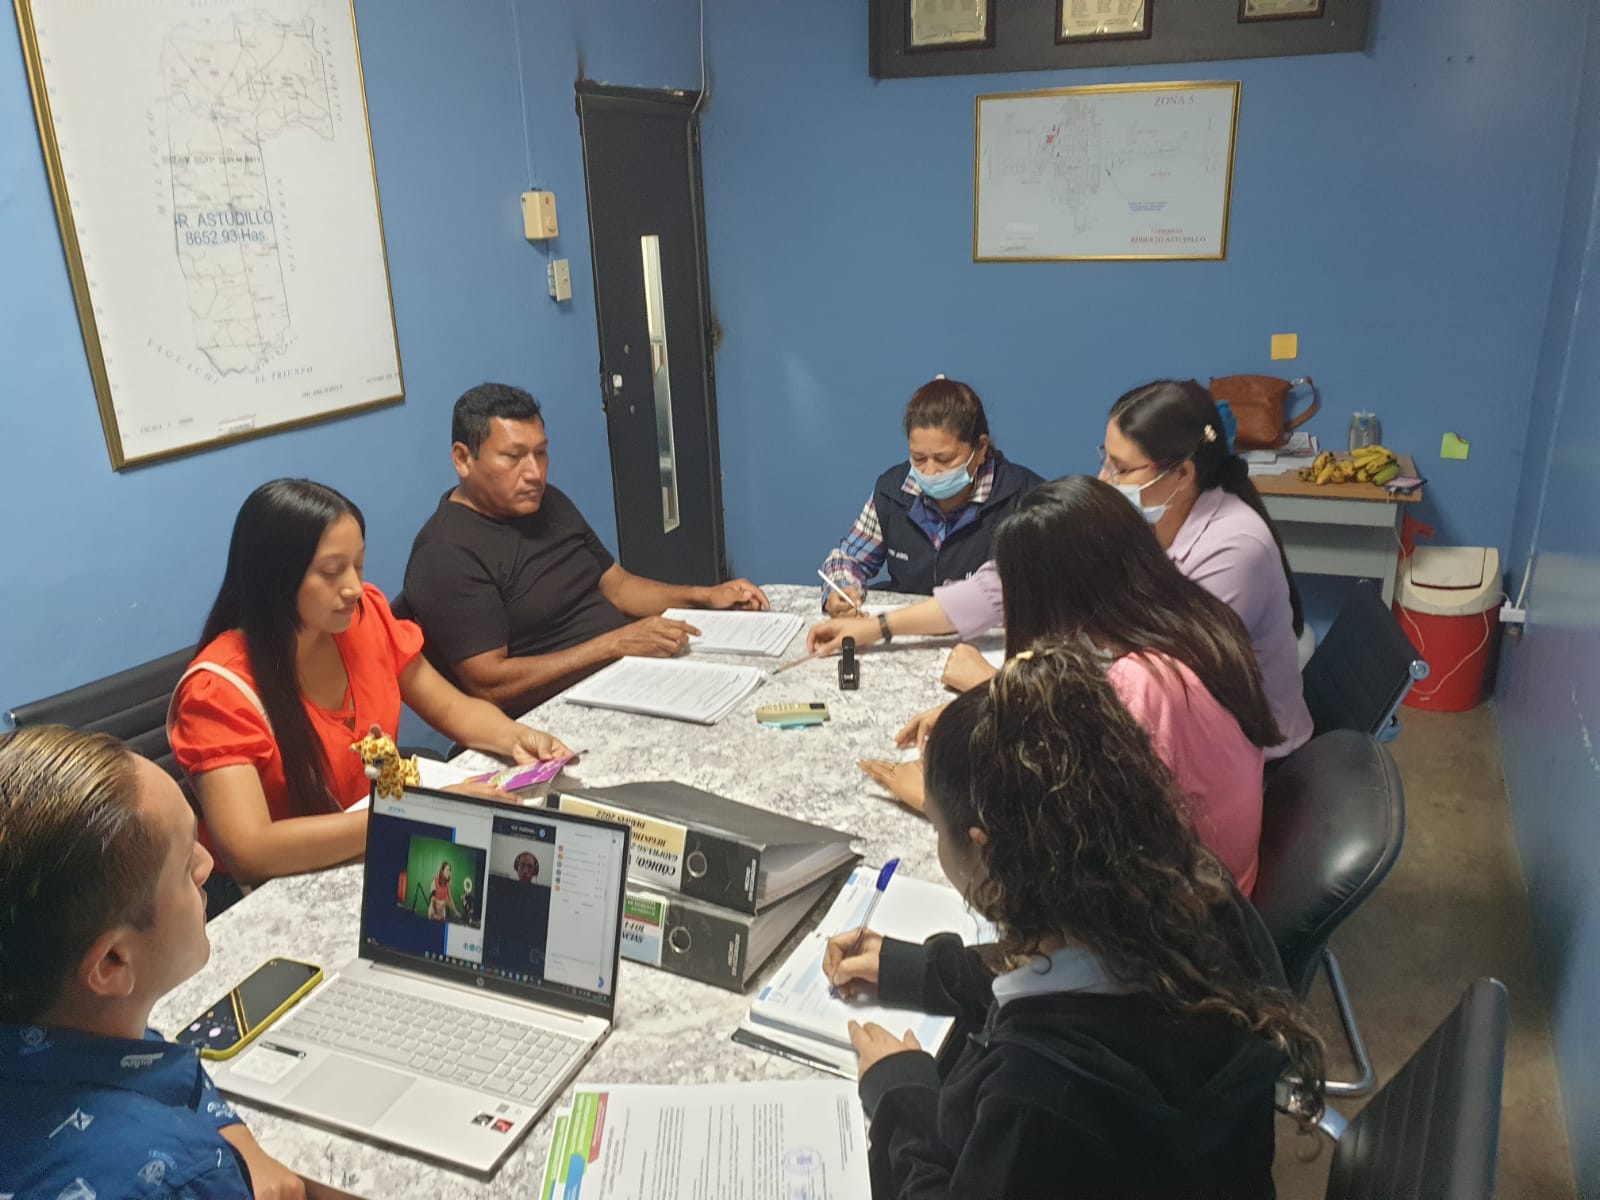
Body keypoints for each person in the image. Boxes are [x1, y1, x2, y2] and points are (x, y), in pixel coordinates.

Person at [825, 647, 1325, 1198]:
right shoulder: (1197, 892)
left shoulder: (1036, 1096)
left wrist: (901, 1098)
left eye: (939, 828)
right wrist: (924, 970)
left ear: (986, 852)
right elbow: (1072, 977)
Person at [808, 379, 1313, 759]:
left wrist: (997, 692)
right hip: (1136, 726)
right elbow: (1001, 587)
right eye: (1105, 460)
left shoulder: (1234, 547)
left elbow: (1154, 697)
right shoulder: (1143, 516)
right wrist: (878, 627)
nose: (1104, 479)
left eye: (1121, 468)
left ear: (1182, 472)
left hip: (1227, 759)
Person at [863, 476, 1281, 893]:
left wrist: (939, 805)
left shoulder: (1142, 683)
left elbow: (1071, 842)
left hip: (1186, 901)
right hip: (1224, 874)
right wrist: (983, 709)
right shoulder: (1194, 620)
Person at [169, 479, 572, 890]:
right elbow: (250, 851)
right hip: (282, 885)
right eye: (331, 572)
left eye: (358, 565)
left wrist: (517, 737)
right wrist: (422, 813)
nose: (353, 587)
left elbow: (451, 707)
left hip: (367, 846)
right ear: (274, 578)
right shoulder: (217, 690)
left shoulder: (363, 617)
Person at [0, 724, 307, 1199]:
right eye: (184, 866)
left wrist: (238, 1140)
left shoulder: (68, 1017)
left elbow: (153, 1055)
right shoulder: (183, 1175)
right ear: (112, 963)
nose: (206, 865)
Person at [403, 383, 770, 712]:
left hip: (626, 677)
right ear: (463, 459)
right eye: (514, 457)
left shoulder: (548, 502)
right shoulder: (445, 553)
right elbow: (491, 685)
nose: (535, 473)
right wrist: (614, 645)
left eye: (541, 453)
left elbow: (619, 587)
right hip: (557, 712)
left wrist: (705, 596)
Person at [817, 376, 1044, 612]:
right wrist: (840, 591)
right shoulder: (893, 491)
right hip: (904, 627)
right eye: (919, 458)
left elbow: (1043, 593)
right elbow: (849, 558)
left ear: (980, 449)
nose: (930, 471)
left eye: (944, 459)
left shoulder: (1026, 500)